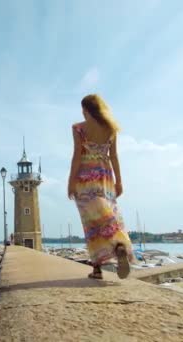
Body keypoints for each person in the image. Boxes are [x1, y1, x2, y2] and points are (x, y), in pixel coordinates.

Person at [68, 94, 134, 280]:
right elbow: (114, 157)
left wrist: (71, 182)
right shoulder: (111, 129)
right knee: (110, 215)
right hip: (105, 177)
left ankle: (97, 269)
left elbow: (77, 157)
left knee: (91, 223)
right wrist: (119, 181)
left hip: (84, 178)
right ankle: (119, 245)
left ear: (86, 110)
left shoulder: (78, 128)